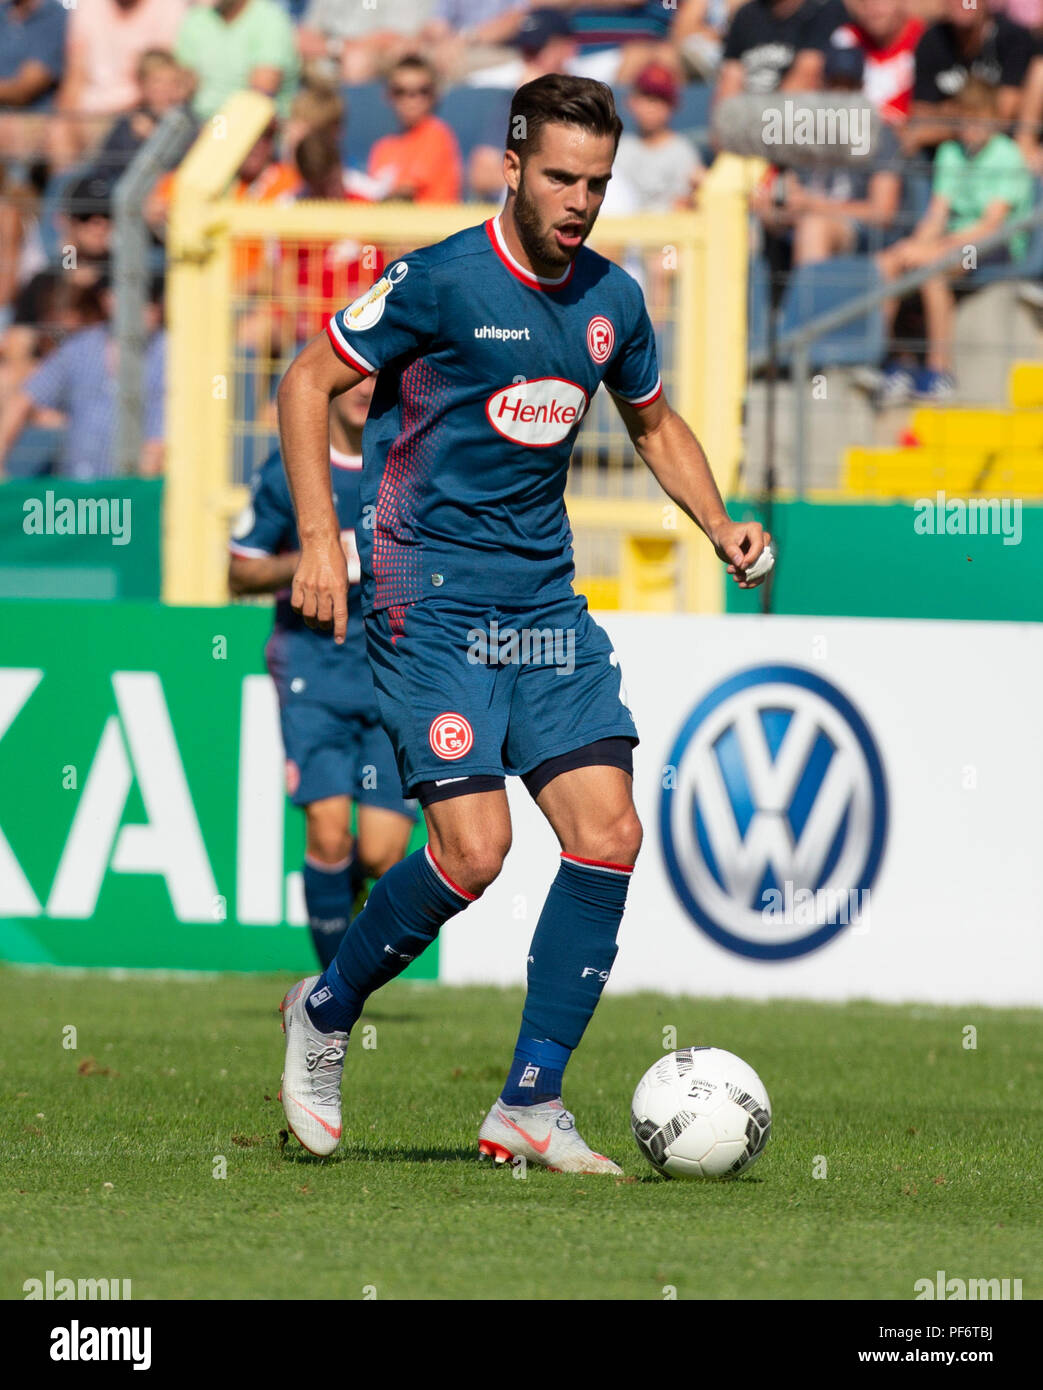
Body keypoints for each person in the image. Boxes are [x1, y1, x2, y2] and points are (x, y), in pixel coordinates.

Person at [274, 74, 770, 1171]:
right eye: (558, 176)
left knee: (608, 832)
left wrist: (719, 521)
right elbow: (307, 381)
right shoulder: (440, 279)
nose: (578, 200)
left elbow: (651, 418)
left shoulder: (612, 301)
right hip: (428, 597)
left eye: (595, 181)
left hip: (542, 601)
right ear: (510, 165)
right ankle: (323, 1008)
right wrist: (318, 534)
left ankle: (528, 1105)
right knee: (473, 851)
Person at [228, 376, 415, 969]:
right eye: (351, 376)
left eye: (378, 376)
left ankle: (344, 910)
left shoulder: (409, 465)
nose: (365, 388)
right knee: (329, 831)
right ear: (327, 387)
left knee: (386, 851)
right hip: (313, 669)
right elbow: (240, 572)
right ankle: (334, 995)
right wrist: (315, 556)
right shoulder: (291, 470)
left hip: (393, 669)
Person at [874, 77, 1033, 403]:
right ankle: (892, 359)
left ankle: (939, 370)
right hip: (954, 240)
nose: (970, 128)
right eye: (964, 120)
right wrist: (914, 245)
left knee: (933, 266)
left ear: (994, 121)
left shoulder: (1008, 156)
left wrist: (932, 249)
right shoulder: (950, 152)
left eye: (977, 120)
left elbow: (992, 225)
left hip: (993, 247)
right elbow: (937, 214)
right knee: (888, 263)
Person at [0, 277, 165, 479]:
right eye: (143, 299)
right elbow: (24, 399)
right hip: (72, 493)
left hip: (130, 496)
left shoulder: (169, 354)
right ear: (109, 299)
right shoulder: (81, 347)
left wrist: (132, 497)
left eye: (155, 300)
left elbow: (157, 447)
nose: (152, 309)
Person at [905, 0, 1034, 157]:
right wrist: (974, 119)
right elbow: (920, 119)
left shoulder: (1012, 38)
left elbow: (1005, 113)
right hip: (946, 155)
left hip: (1001, 153)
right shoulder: (932, 39)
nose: (964, 3)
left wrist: (947, 113)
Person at [175, 0, 300, 123]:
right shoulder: (197, 17)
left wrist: (217, 129)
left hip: (250, 126)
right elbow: (182, 81)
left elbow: (262, 93)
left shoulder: (270, 19)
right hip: (196, 120)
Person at [366, 54, 463, 204]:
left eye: (422, 91)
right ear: (389, 95)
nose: (411, 100)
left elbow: (406, 193)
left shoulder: (437, 135)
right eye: (400, 91)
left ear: (434, 95)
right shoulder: (382, 147)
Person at [613, 61, 704, 212]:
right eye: (646, 98)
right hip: (623, 231)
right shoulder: (619, 148)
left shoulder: (682, 151)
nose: (651, 108)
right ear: (632, 102)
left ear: (672, 106)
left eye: (660, 100)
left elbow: (684, 204)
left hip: (667, 232)